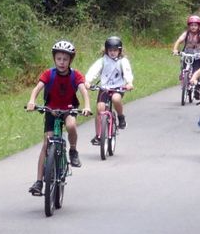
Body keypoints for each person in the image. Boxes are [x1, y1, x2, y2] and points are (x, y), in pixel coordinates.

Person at [25, 40, 91, 194]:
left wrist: (87, 106)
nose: (62, 62)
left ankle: (73, 151)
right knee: (46, 144)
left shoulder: (75, 75)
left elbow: (83, 91)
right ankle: (39, 181)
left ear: (70, 60)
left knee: (71, 126)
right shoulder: (49, 74)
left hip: (68, 109)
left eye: (65, 59)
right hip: (51, 110)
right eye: (59, 59)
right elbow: (37, 88)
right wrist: (31, 101)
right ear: (54, 59)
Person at [85, 36, 133, 142]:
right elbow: (94, 70)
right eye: (110, 50)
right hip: (104, 88)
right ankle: (98, 135)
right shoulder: (103, 61)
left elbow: (127, 72)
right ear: (106, 50)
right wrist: (88, 81)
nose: (112, 52)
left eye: (115, 50)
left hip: (118, 87)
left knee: (116, 99)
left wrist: (129, 82)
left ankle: (121, 117)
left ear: (119, 50)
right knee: (100, 108)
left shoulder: (123, 61)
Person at [171, 15, 200, 96]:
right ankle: (184, 79)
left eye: (195, 25)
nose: (193, 27)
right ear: (189, 26)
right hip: (187, 53)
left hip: (197, 54)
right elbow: (178, 41)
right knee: (183, 67)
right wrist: (175, 49)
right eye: (191, 25)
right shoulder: (186, 33)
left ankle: (197, 88)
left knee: (196, 71)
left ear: (198, 26)